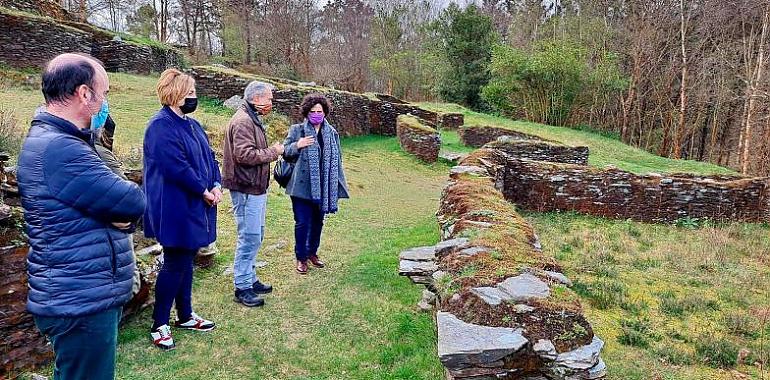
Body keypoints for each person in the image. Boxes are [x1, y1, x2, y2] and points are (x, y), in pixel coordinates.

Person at [17, 53, 146, 380]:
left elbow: (116, 208)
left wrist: (118, 216)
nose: (105, 101)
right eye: (103, 92)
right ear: (84, 94)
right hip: (79, 298)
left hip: (80, 292)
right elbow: (130, 200)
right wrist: (120, 214)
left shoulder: (59, 140)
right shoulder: (60, 148)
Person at [143, 68, 222, 350]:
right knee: (176, 261)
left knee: (187, 259)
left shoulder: (193, 124)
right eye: (189, 93)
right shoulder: (160, 126)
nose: (193, 97)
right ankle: (159, 323)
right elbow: (176, 167)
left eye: (194, 93)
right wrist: (203, 189)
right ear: (174, 93)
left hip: (197, 202)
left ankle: (185, 315)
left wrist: (215, 183)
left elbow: (210, 158)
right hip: (174, 206)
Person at [222, 81, 283, 306]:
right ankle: (242, 286)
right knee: (249, 237)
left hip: (255, 188)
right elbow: (245, 156)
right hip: (246, 187)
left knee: (257, 234)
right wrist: (274, 152)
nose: (270, 103)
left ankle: (251, 277)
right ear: (256, 98)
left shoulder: (251, 118)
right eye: (268, 99)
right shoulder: (243, 121)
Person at [282, 93, 350, 275]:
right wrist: (298, 144)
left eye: (319, 111)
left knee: (318, 222)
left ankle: (312, 252)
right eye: (313, 111)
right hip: (301, 188)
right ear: (306, 112)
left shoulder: (332, 133)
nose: (316, 114)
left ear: (325, 112)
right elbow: (285, 152)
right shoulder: (297, 130)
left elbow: (338, 159)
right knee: (302, 223)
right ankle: (301, 257)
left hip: (323, 186)